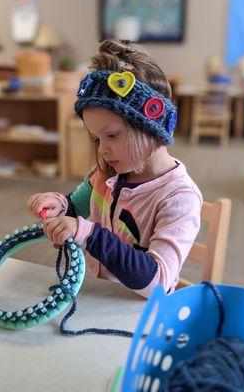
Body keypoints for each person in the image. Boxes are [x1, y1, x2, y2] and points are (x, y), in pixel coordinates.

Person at [27, 39, 202, 298]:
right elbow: (76, 206)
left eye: (111, 135)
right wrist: (59, 205)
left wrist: (88, 234)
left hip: (136, 314)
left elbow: (158, 281)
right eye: (97, 139)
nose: (102, 150)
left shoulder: (179, 197)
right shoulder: (110, 172)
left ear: (149, 127)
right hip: (99, 296)